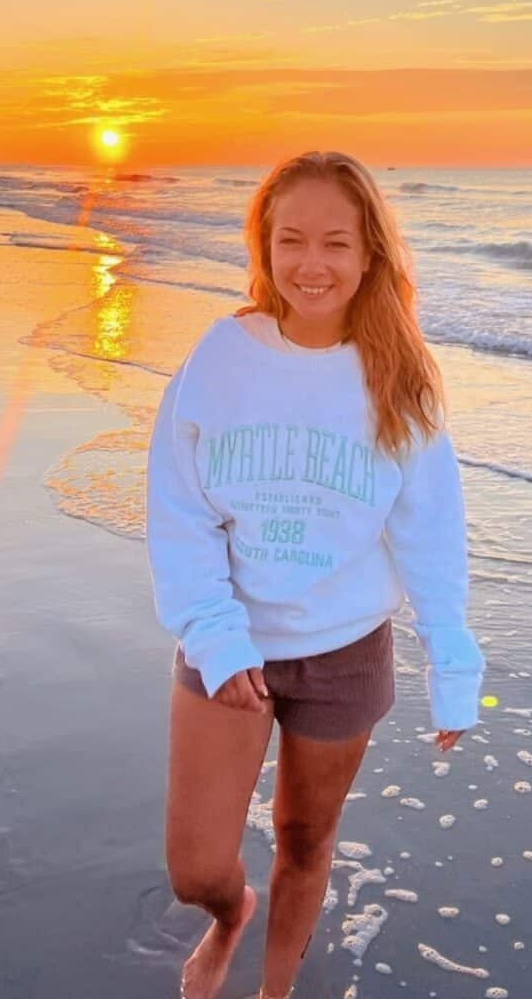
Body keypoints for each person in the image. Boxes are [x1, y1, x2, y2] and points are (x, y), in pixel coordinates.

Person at [145, 150, 486, 999]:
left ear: (370, 253)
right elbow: (178, 509)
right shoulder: (223, 357)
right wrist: (217, 638)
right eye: (291, 240)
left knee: (304, 839)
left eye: (336, 243)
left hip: (345, 653)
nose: (312, 264)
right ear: (262, 245)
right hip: (228, 640)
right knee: (195, 867)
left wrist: (454, 668)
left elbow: (432, 534)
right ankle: (231, 916)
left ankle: (274, 990)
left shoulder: (400, 380)